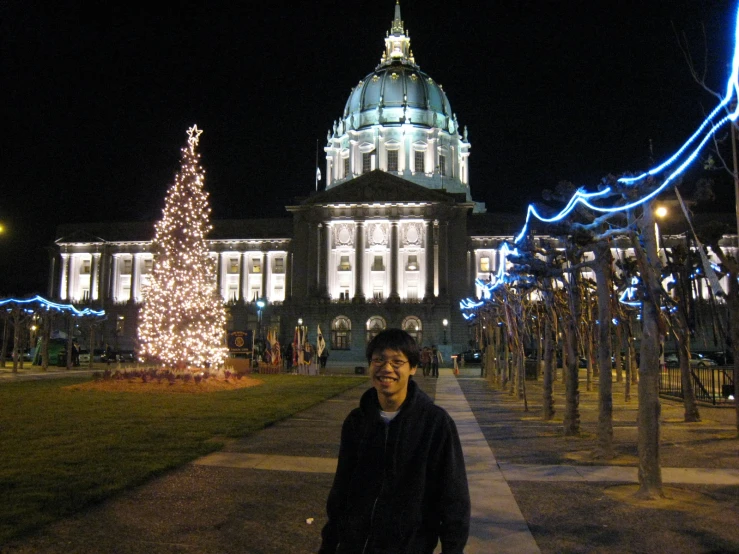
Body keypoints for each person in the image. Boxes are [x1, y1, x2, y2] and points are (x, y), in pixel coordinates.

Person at [320, 329, 470, 553]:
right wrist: (329, 544)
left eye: (397, 361)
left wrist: (452, 548)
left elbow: (453, 498)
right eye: (378, 360)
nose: (386, 368)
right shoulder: (357, 421)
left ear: (413, 368)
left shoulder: (435, 424)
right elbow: (341, 490)